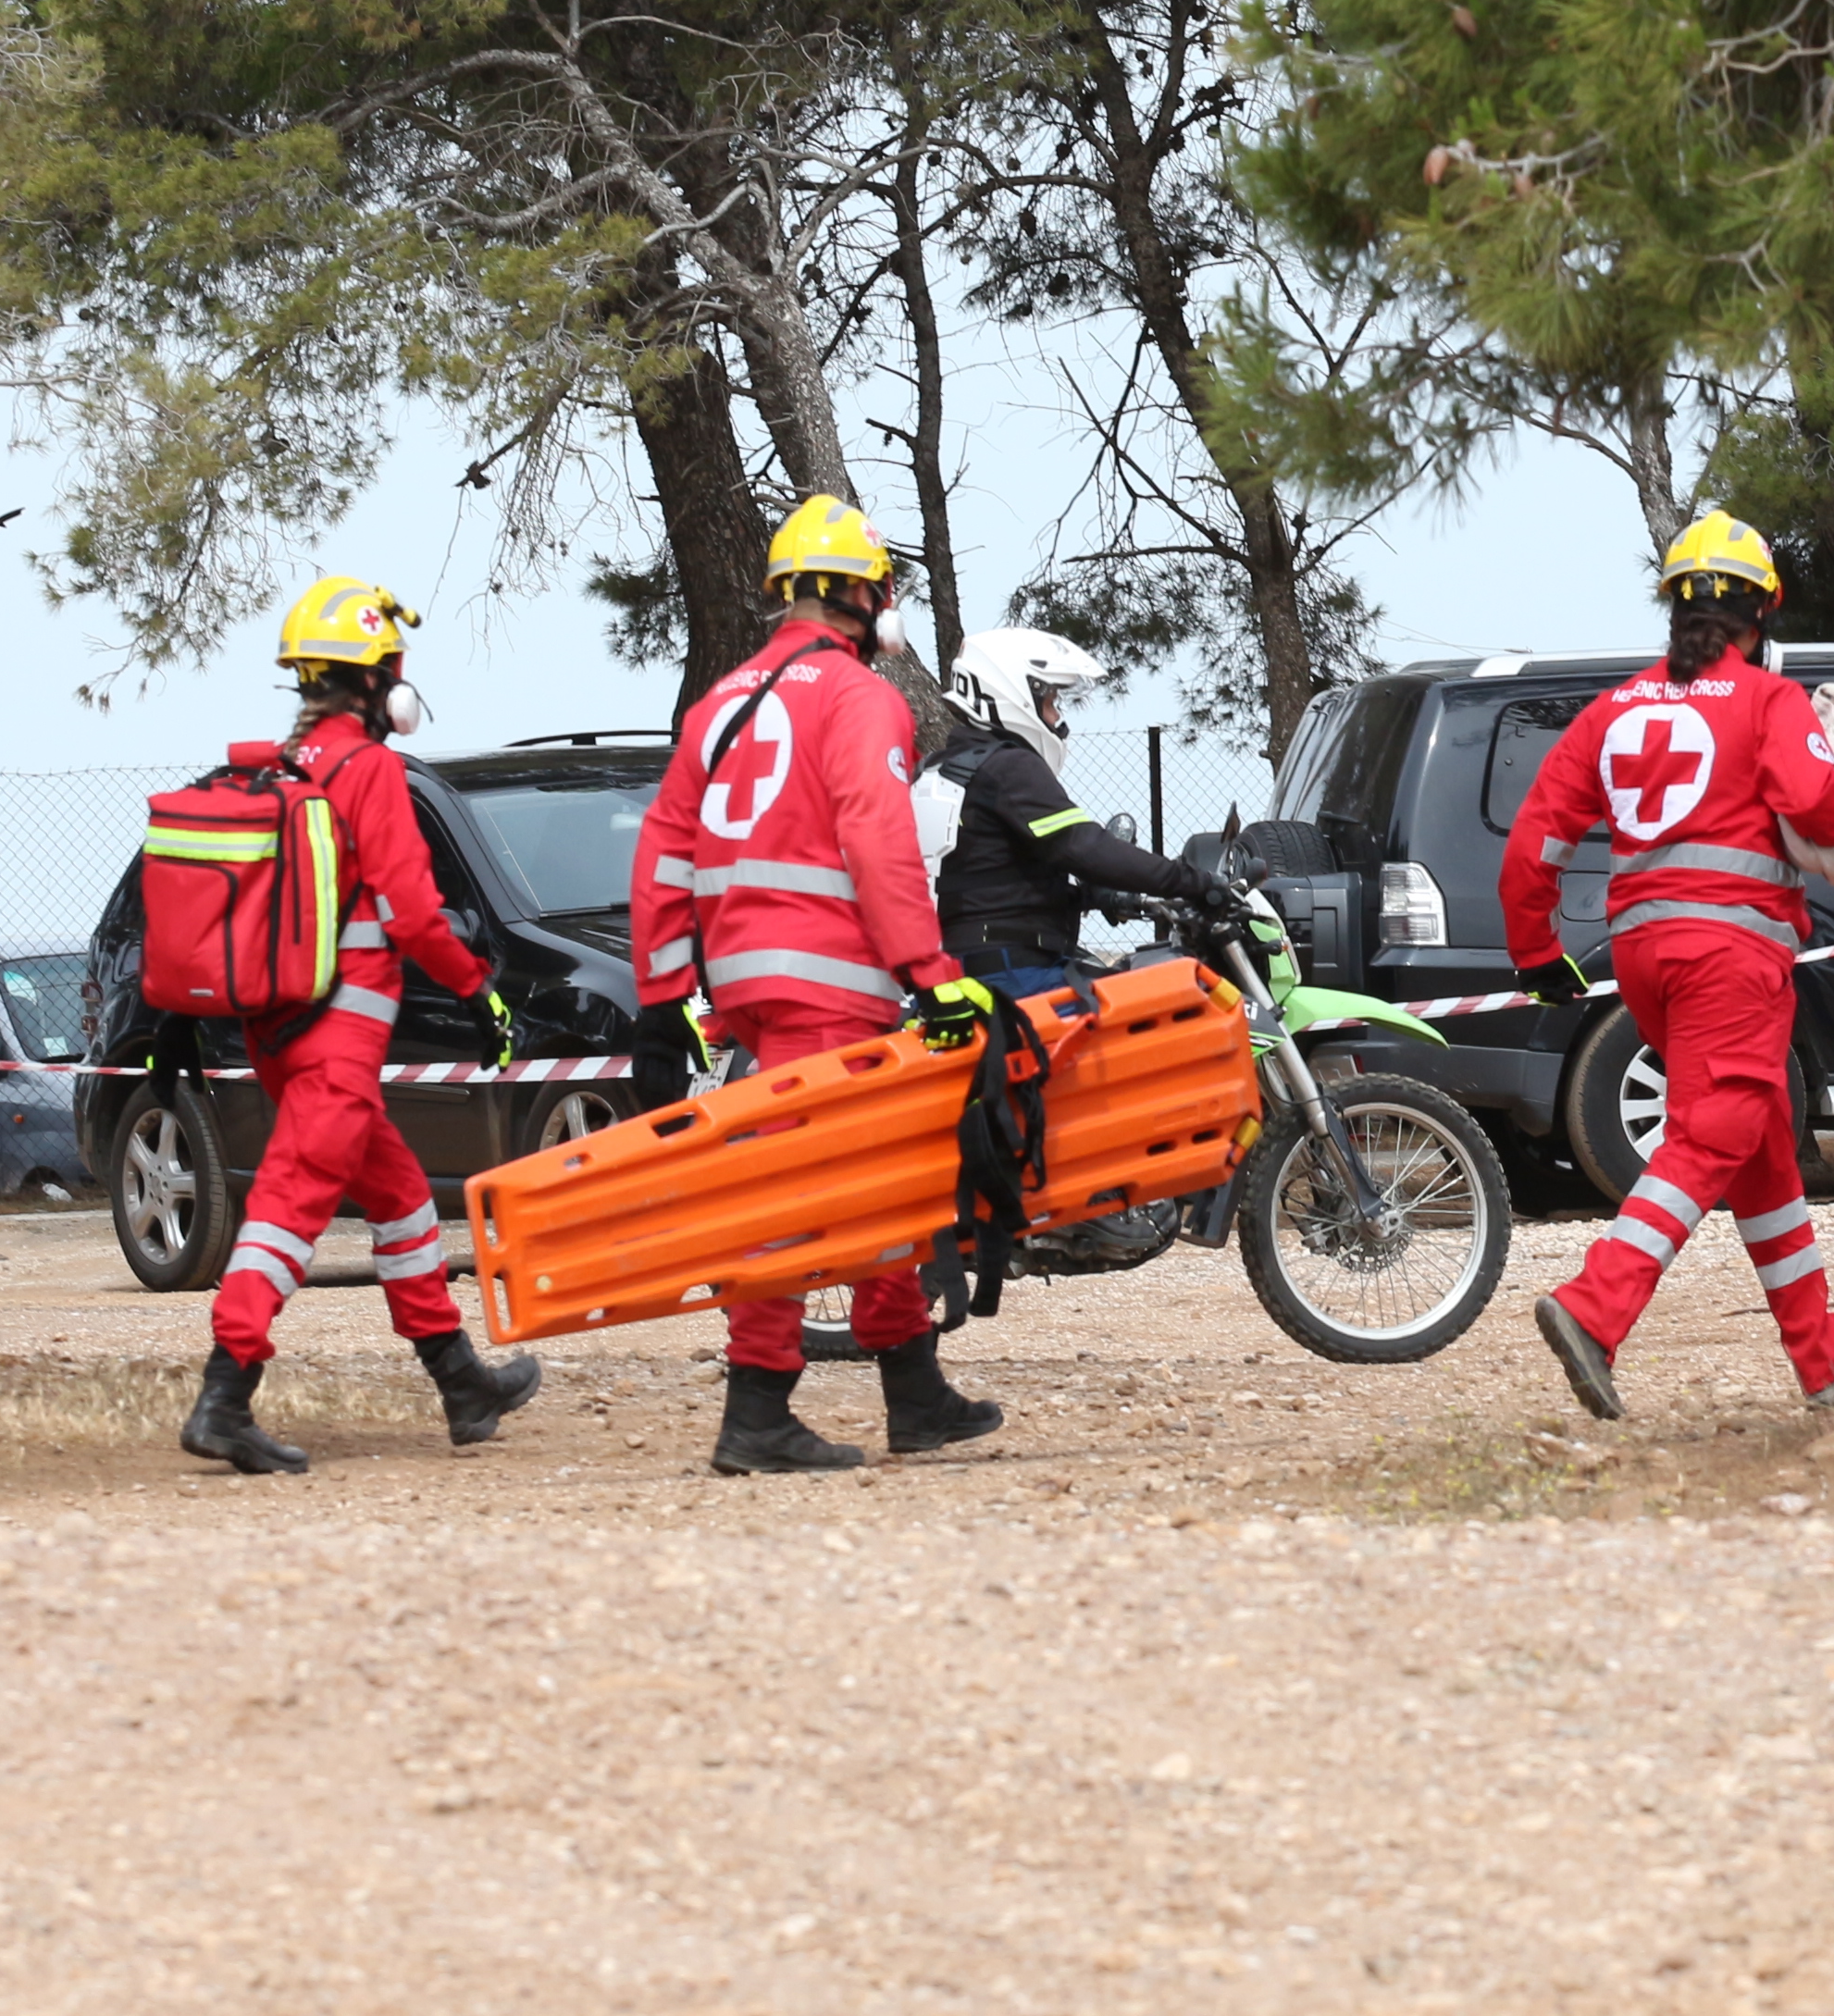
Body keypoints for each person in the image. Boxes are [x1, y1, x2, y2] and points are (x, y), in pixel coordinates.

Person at [627, 498, 1003, 1475]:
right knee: (800, 1196)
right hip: (830, 982)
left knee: (877, 1181)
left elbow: (664, 850)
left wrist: (662, 997)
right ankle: (757, 1412)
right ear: (861, 596)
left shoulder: (720, 704)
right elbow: (879, 843)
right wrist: (931, 973)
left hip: (746, 983)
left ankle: (914, 1390)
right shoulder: (855, 698)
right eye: (885, 592)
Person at [1499, 510, 1834, 1420]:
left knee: (1756, 1154)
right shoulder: (1769, 701)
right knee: (1713, 1134)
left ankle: (1822, 1352)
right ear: (1762, 613)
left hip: (1644, 955)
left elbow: (1532, 847)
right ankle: (1595, 1310)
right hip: (1733, 951)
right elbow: (1816, 807)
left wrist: (1539, 957)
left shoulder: (1616, 708)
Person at [178, 578, 544, 1475]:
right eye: (393, 670)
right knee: (287, 1209)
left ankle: (462, 1384)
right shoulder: (371, 770)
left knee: (401, 1198)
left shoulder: (279, 766)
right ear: (379, 681)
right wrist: (479, 992)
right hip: (341, 1036)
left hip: (280, 1030)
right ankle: (224, 1397)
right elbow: (415, 915)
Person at [920, 625, 1231, 992]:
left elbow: (991, 884)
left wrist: (1092, 896)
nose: (1057, 718)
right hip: (1017, 974)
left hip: (967, 969)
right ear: (1013, 694)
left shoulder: (940, 769)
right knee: (1169, 1011)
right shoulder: (1009, 767)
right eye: (1050, 702)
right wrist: (1197, 882)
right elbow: (1084, 846)